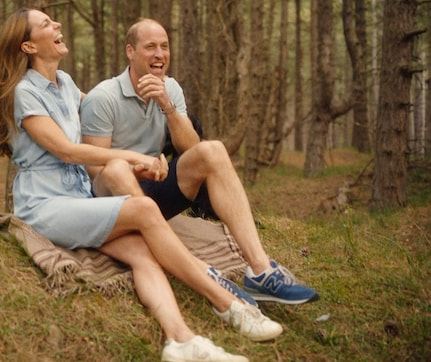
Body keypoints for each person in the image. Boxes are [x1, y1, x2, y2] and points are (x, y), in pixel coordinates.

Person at [0, 8, 283, 362]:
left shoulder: (65, 84)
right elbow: (65, 150)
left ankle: (181, 341)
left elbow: (100, 109)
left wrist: (152, 143)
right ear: (28, 46)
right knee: (143, 209)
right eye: (46, 24)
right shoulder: (24, 92)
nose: (57, 25)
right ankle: (226, 301)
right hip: (45, 205)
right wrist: (134, 158)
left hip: (81, 199)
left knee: (142, 252)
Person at [80, 17, 319, 305]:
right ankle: (198, 269)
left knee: (213, 150)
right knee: (116, 169)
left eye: (165, 47)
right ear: (130, 52)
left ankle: (260, 270)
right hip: (113, 200)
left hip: (154, 190)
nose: (160, 54)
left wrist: (167, 106)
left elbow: (191, 149)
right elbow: (93, 168)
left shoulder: (172, 89)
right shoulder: (103, 97)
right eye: (150, 47)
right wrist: (137, 169)